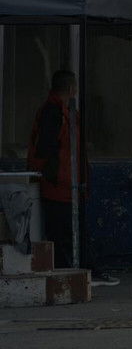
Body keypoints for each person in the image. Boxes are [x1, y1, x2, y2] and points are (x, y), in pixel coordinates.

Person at [26, 70, 118, 287]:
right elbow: (46, 148)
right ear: (70, 89)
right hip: (60, 184)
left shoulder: (65, 112)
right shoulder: (54, 111)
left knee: (73, 231)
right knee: (64, 233)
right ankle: (74, 273)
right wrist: (52, 173)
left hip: (70, 185)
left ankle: (82, 271)